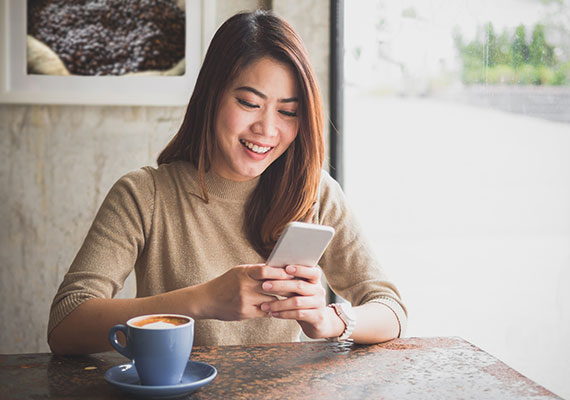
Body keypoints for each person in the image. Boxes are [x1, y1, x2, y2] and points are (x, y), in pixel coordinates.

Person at [48, 10, 407, 355]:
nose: (267, 130)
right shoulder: (145, 194)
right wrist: (203, 300)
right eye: (249, 103)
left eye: (287, 112)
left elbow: (390, 310)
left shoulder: (315, 193)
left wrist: (329, 319)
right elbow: (65, 324)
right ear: (211, 96)